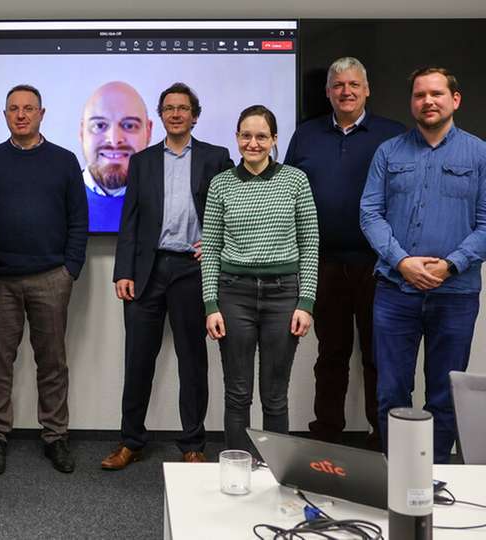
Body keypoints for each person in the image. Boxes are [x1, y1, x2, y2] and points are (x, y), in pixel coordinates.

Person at [103, 83, 233, 470]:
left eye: (183, 108)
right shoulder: (142, 161)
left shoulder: (216, 157)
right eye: (169, 109)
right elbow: (130, 220)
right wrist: (123, 270)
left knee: (193, 362)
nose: (176, 114)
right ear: (160, 116)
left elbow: (231, 210)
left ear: (195, 115)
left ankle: (193, 444)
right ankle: (131, 441)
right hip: (148, 270)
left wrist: (215, 245)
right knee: (137, 360)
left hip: (192, 271)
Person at [360, 67, 486, 464]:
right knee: (391, 392)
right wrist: (402, 261)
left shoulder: (480, 154)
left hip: (455, 294)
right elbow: (369, 214)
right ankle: (396, 476)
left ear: (455, 100)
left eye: (436, 94)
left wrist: (450, 265)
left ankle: (434, 480)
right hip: (395, 293)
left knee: (444, 395)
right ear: (411, 102)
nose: (427, 101)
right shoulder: (389, 152)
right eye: (419, 95)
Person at [285, 57, 406, 449]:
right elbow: (286, 192)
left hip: (380, 265)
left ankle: (381, 434)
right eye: (338, 85)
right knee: (330, 354)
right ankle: (327, 434)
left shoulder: (393, 135)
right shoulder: (305, 135)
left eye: (354, 85)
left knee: (378, 355)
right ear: (328, 92)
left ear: (367, 90)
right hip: (323, 264)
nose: (346, 91)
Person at [0, 85, 88, 475]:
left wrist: (70, 269)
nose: (21, 115)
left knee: (52, 362)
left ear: (42, 113)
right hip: (1, 280)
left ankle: (55, 436)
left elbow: (78, 220)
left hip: (51, 278)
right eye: (13, 109)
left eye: (28, 109)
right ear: (4, 115)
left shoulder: (64, 160)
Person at [201, 105, 319, 456]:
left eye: (261, 136)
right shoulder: (221, 184)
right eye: (246, 135)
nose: (253, 143)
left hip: (283, 297)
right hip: (233, 294)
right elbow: (210, 247)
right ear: (237, 138)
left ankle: (273, 473)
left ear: (274, 140)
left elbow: (310, 243)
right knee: (237, 394)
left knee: (274, 395)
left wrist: (306, 302)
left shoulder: (296, 181)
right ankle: (237, 471)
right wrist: (211, 305)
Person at [79, 81, 152, 232]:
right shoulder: (51, 202)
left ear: (148, 131)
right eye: (99, 125)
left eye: (129, 125)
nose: (114, 140)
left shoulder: (176, 204)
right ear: (82, 133)